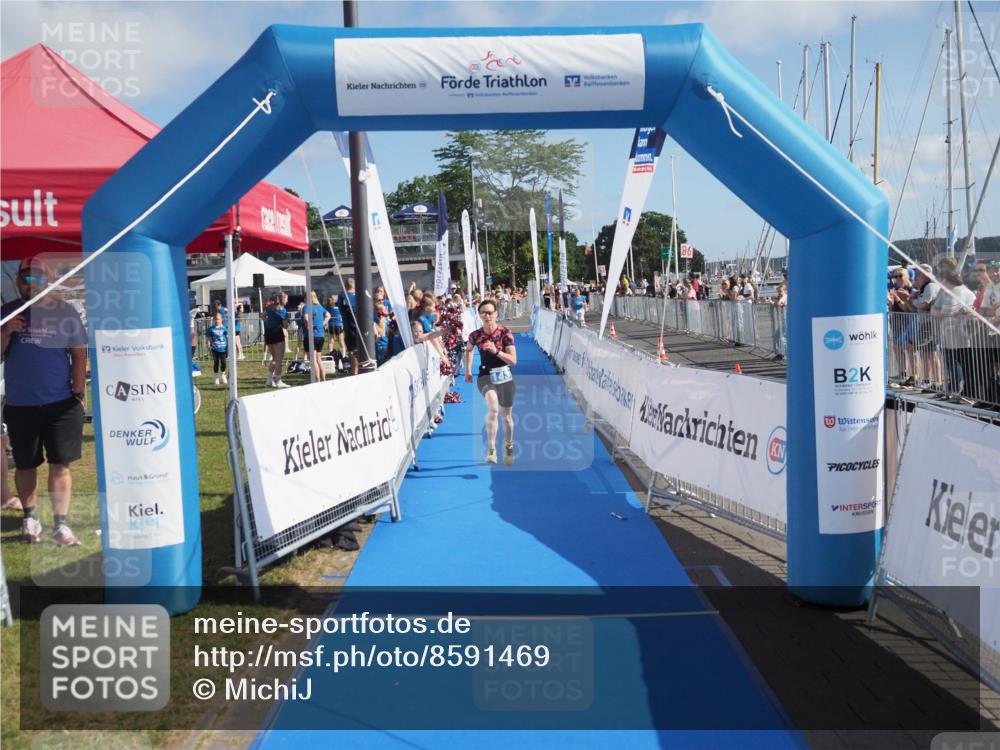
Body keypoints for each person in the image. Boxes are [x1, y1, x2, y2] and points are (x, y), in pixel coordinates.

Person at [1, 257, 86, 545]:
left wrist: (78, 390)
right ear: (17, 282)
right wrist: (5, 333)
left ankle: (60, 524)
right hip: (20, 404)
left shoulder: (65, 313)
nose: (30, 284)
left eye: (37, 278)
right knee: (25, 464)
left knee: (60, 463)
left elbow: (78, 353)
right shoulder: (7, 312)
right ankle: (30, 517)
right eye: (25, 278)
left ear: (48, 280)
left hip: (61, 403)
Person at [465, 299, 517, 465]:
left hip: (505, 376)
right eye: (483, 313)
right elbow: (468, 351)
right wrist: (467, 371)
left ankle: (508, 445)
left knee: (506, 416)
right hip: (485, 376)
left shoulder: (505, 333)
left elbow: (513, 361)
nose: (487, 316)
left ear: (496, 314)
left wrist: (496, 351)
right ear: (479, 316)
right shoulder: (475, 335)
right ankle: (491, 450)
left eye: (490, 312)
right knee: (493, 408)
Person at [263, 292, 291, 388]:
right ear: (283, 300)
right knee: (279, 358)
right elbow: (285, 326)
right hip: (277, 333)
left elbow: (263, 316)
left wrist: (267, 323)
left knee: (274, 358)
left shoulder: (269, 308)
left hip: (268, 333)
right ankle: (278, 380)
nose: (287, 300)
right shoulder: (283, 310)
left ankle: (269, 380)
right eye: (286, 299)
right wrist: (288, 321)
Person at [303, 291, 331, 382]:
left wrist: (308, 326)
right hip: (320, 335)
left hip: (311, 336)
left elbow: (306, 318)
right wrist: (322, 324)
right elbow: (328, 315)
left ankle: (317, 380)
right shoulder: (320, 307)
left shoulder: (307, 307)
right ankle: (323, 379)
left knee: (313, 359)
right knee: (318, 359)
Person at [337, 278, 360, 375]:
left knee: (351, 351)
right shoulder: (358, 296)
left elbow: (339, 305)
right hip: (358, 327)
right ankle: (355, 372)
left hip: (348, 328)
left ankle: (353, 372)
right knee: (356, 351)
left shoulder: (342, 296)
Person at [206, 312, 229, 385]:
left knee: (223, 362)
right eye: (215, 319)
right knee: (216, 362)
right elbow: (208, 339)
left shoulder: (225, 328)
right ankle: (216, 377)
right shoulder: (210, 329)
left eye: (218, 319)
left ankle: (223, 375)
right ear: (213, 320)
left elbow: (228, 338)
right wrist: (208, 346)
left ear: (221, 320)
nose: (217, 321)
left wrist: (229, 347)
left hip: (223, 349)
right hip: (214, 348)